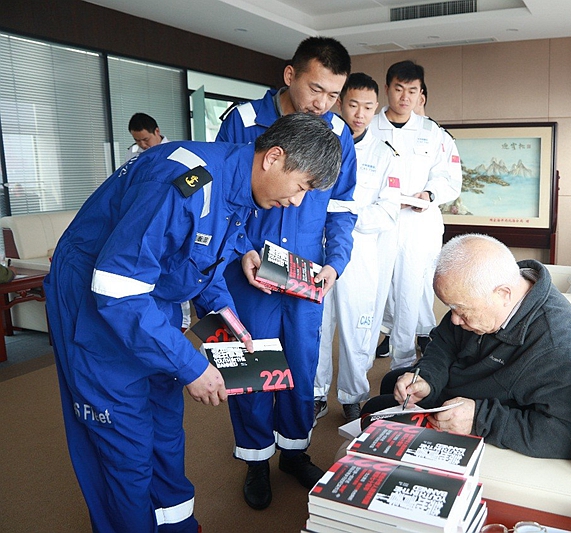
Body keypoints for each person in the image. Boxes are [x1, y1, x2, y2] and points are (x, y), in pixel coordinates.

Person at [44, 113, 342, 533]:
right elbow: (116, 287)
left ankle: (177, 526)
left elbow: (199, 264)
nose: (297, 202)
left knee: (166, 432)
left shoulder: (236, 186)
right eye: (301, 187)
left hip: (150, 300)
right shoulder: (183, 183)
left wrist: (228, 320)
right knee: (125, 447)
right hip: (95, 306)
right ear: (274, 157)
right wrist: (192, 366)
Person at [215, 37, 357, 510]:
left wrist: (335, 263)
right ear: (290, 75)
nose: (323, 103)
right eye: (316, 89)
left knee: (299, 363)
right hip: (248, 268)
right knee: (252, 366)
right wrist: (240, 249)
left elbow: (342, 208)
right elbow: (222, 196)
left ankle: (295, 452)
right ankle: (256, 459)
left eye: (333, 94)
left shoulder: (337, 132)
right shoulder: (243, 121)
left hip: (304, 272)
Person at [364, 234, 571, 459]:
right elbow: (444, 343)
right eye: (451, 308)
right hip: (462, 387)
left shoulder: (554, 345)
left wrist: (479, 419)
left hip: (478, 409)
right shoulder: (492, 285)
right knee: (392, 381)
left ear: (503, 294)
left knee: (372, 411)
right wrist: (427, 379)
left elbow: (568, 435)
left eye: (462, 311)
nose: (454, 320)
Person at [314, 73, 400, 422]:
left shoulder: (384, 154)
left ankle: (353, 395)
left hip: (359, 252)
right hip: (315, 248)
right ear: (339, 103)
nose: (359, 114)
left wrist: (346, 214)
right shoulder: (318, 142)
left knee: (357, 329)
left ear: (376, 108)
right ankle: (316, 393)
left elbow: (388, 209)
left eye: (367, 107)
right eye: (352, 105)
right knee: (316, 326)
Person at [369, 60, 462, 371]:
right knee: (372, 294)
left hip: (417, 225)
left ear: (421, 93)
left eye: (412, 90)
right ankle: (361, 364)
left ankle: (404, 365)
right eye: (398, 89)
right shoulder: (369, 127)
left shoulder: (433, 133)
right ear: (386, 89)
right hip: (378, 224)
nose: (404, 97)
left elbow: (450, 177)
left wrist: (429, 194)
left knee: (411, 294)